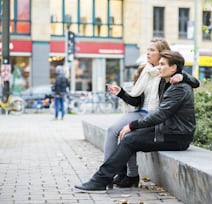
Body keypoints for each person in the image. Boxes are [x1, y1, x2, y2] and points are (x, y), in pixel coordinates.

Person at [75, 50, 196, 192]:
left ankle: (101, 179)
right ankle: (121, 176)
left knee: (130, 140)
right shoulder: (168, 82)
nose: (159, 67)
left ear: (173, 68)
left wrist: (133, 125)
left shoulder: (179, 89)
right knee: (128, 137)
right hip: (166, 130)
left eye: (162, 64)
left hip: (176, 137)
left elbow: (160, 114)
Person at [103, 38, 199, 188]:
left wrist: (183, 76)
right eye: (147, 50)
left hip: (155, 117)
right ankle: (112, 174)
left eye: (152, 50)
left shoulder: (168, 74)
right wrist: (121, 93)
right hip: (141, 112)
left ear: (162, 54)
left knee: (128, 136)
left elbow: (194, 82)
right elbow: (136, 100)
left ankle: (129, 174)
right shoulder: (145, 71)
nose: (147, 53)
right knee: (113, 130)